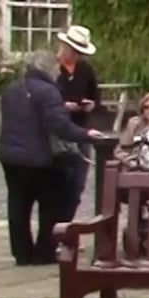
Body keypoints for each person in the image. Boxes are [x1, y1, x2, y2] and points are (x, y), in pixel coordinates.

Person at [0, 51, 106, 266]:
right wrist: (85, 134)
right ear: (48, 69)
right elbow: (59, 125)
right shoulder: (48, 91)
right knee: (54, 203)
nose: (58, 71)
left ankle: (22, 252)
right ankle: (44, 251)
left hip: (10, 155)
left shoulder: (11, 90)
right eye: (56, 68)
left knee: (18, 204)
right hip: (40, 157)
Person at [54, 24, 102, 200]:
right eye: (73, 51)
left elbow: (95, 95)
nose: (76, 56)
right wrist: (62, 105)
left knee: (79, 179)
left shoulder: (85, 69)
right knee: (60, 178)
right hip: (59, 129)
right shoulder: (53, 69)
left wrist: (91, 104)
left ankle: (71, 209)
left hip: (81, 126)